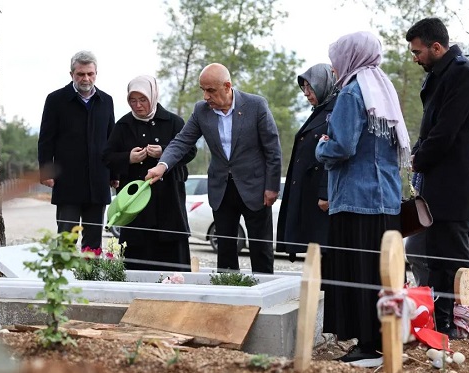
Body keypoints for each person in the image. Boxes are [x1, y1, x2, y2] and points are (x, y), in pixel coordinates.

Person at [315, 31, 410, 364]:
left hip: (355, 199)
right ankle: (385, 341)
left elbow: (341, 146)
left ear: (350, 57)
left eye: (336, 59)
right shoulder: (382, 88)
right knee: (381, 272)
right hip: (386, 200)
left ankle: (367, 346)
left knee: (358, 273)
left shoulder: (353, 92)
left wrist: (321, 145)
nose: (334, 67)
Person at [145, 63, 282, 274]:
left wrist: (272, 186)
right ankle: (229, 296)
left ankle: (263, 298)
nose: (206, 96)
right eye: (203, 90)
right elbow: (182, 141)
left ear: (227, 86)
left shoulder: (256, 106)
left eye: (211, 90)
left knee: (260, 248)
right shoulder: (201, 111)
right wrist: (162, 166)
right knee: (225, 250)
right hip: (221, 190)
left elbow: (272, 149)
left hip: (256, 188)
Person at [406, 18, 469, 338]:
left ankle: (465, 322)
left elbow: (445, 132)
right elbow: (430, 128)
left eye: (418, 51)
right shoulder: (441, 75)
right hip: (438, 185)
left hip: (453, 186)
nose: (415, 58)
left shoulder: (463, 74)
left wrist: (418, 159)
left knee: (454, 258)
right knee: (437, 258)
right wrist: (416, 152)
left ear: (437, 47)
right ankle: (443, 324)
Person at [102, 75, 196, 271]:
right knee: (138, 258)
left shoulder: (173, 122)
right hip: (136, 204)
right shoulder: (123, 125)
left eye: (142, 99)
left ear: (153, 96)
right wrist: (129, 157)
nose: (137, 105)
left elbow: (191, 151)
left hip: (169, 200)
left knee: (172, 258)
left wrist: (165, 151)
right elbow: (107, 157)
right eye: (132, 100)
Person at [406, 94, 469, 287]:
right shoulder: (439, 93)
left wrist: (427, 157)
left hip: (451, 193)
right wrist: (416, 154)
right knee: (416, 249)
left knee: (454, 256)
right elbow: (426, 136)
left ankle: (465, 308)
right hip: (424, 189)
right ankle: (428, 304)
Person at [38, 50, 116, 250]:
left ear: (96, 73)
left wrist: (115, 173)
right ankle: (63, 278)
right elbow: (46, 139)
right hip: (67, 181)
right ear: (71, 74)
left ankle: (90, 279)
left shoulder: (106, 101)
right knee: (66, 240)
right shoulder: (56, 100)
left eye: (90, 73)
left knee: (93, 242)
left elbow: (112, 141)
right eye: (81, 74)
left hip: (98, 181)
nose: (86, 78)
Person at [276, 64, 337, 279]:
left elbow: (335, 153)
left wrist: (325, 191)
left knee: (324, 251)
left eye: (310, 87)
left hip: (321, 195)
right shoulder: (320, 111)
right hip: (309, 191)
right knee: (315, 252)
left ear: (323, 84)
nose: (306, 93)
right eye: (303, 88)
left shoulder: (336, 109)